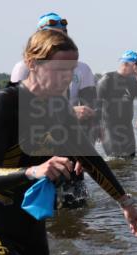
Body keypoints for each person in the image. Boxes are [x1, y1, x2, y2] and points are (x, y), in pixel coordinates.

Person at [0, 30, 137, 255]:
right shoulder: (4, 104)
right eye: (60, 69)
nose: (68, 78)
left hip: (31, 220)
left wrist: (124, 202)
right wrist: (33, 171)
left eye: (71, 71)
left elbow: (89, 157)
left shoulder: (59, 107)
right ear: (32, 64)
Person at [11, 13, 97, 208]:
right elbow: (18, 114)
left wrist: (86, 155)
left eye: (62, 35)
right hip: (35, 150)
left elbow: (92, 114)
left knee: (75, 209)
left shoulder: (82, 69)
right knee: (36, 209)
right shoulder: (23, 68)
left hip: (70, 147)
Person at [96, 50, 137, 158]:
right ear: (126, 64)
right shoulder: (107, 79)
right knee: (115, 159)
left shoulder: (133, 81)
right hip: (109, 128)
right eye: (136, 64)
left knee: (130, 160)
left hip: (127, 128)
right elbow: (96, 105)